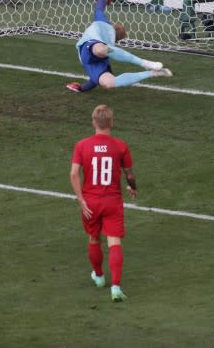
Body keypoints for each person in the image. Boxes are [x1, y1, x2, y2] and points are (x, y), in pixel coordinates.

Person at [70, 104, 137, 302]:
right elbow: (129, 173)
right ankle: (115, 288)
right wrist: (133, 186)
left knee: (93, 238)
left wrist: (81, 199)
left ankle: (98, 276)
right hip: (112, 200)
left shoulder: (82, 145)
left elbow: (74, 173)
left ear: (93, 123)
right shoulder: (120, 145)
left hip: (90, 200)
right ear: (112, 123)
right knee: (114, 242)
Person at [66, 0, 172, 93]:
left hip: (90, 50)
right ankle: (151, 72)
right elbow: (94, 81)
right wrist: (82, 88)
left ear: (113, 24)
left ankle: (147, 66)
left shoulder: (102, 21)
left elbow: (99, 7)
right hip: (94, 54)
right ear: (117, 40)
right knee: (108, 78)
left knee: (102, 56)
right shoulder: (106, 33)